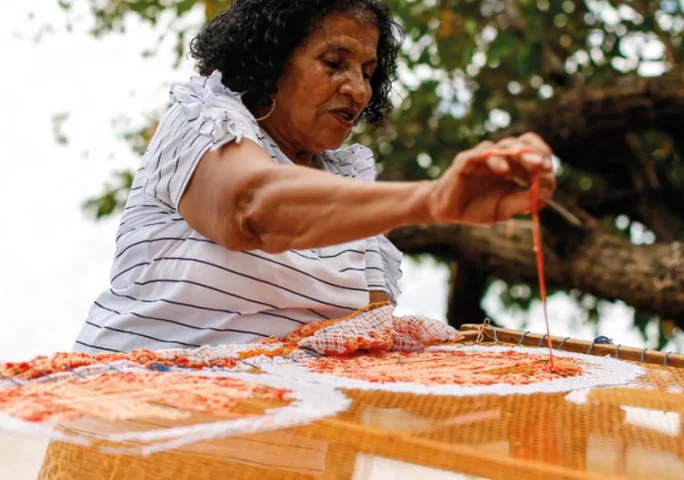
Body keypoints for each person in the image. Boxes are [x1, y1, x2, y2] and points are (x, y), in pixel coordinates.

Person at [73, 0, 556, 354]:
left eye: (368, 71)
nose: (358, 89)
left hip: (286, 442)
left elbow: (368, 337)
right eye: (334, 63)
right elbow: (252, 208)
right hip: (143, 424)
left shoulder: (350, 181)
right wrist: (434, 199)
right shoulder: (202, 120)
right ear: (270, 59)